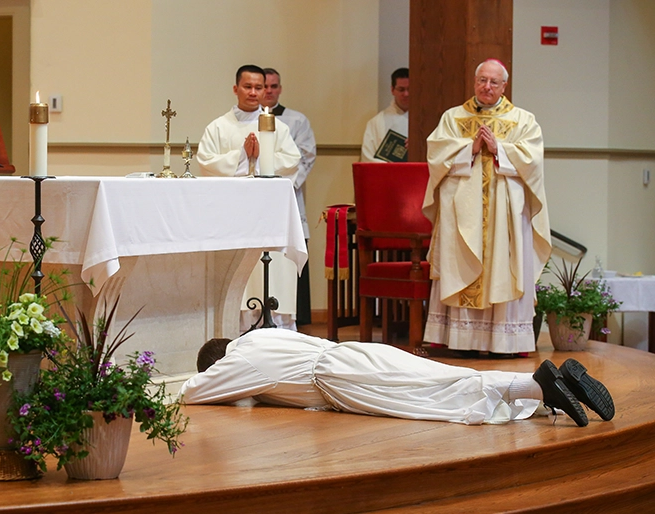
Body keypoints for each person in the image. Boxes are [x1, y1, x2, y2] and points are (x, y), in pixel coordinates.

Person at [180, 329, 615, 428]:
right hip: (356, 353)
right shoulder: (264, 334)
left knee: (436, 396)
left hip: (342, 378)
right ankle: (546, 387)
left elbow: (194, 393)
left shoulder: (241, 361)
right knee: (444, 374)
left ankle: (540, 387)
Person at [422, 59, 551, 356]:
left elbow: (533, 162)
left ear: (504, 86)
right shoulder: (453, 118)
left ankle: (504, 342)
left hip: (503, 213)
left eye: (494, 82)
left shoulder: (522, 120)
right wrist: (471, 148)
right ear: (474, 81)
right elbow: (437, 156)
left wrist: (499, 150)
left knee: (502, 266)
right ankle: (460, 340)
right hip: (462, 211)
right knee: (462, 260)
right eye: (482, 80)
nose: (487, 87)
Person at [197, 65, 303, 331]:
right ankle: (238, 328)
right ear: (236, 89)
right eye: (248, 87)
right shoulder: (218, 127)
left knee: (272, 273)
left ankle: (278, 329)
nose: (254, 92)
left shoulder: (277, 127)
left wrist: (262, 157)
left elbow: (292, 162)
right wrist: (242, 156)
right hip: (232, 216)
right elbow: (206, 164)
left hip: (268, 216)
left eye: (260, 87)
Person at [261, 67, 317, 325]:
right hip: (256, 197)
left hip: (287, 194)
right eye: (265, 86)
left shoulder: (296, 120)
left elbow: (305, 156)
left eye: (274, 86)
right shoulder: (245, 120)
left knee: (289, 251)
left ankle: (297, 315)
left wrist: (285, 184)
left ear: (280, 89)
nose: (269, 91)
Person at [361, 67, 409, 162]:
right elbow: (367, 158)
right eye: (401, 89)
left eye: (409, 89)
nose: (406, 94)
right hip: (387, 174)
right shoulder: (376, 122)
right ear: (392, 90)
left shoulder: (425, 121)